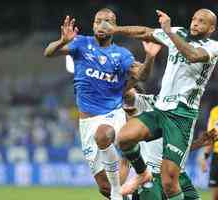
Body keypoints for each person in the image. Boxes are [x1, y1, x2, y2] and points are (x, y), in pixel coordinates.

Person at [102, 9, 218, 200]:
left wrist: (168, 32)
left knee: (169, 183)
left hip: (182, 115)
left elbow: (192, 55)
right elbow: (145, 32)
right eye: (194, 19)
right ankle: (142, 174)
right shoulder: (178, 33)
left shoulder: (214, 46)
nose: (195, 23)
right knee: (124, 138)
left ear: (212, 28)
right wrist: (116, 29)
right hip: (160, 109)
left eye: (202, 21)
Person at [43, 8, 156, 200]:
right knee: (104, 188)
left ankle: (120, 184)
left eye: (107, 21)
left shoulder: (122, 55)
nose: (102, 25)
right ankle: (121, 191)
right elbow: (48, 53)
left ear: (115, 26)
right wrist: (63, 41)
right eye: (98, 21)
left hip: (112, 114)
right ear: (93, 24)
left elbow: (142, 75)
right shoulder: (81, 44)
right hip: (86, 121)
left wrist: (150, 57)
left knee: (103, 135)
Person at [121, 85, 218, 200]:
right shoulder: (147, 104)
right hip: (153, 175)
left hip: (177, 174)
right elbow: (128, 94)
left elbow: (175, 149)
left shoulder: (184, 112)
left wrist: (199, 143)